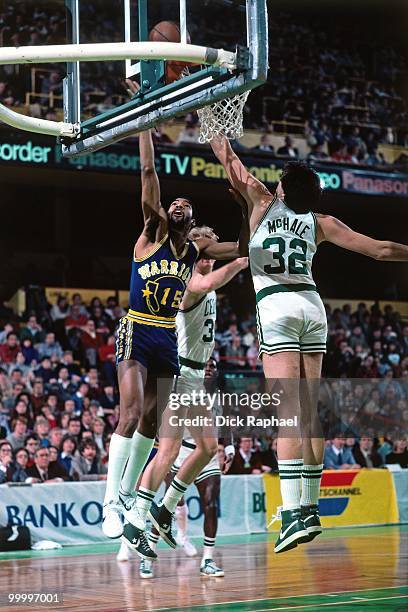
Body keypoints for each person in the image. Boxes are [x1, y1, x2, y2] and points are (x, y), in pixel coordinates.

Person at [209, 135, 408, 554]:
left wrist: (211, 119)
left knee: (287, 411)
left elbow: (227, 157)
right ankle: (311, 508)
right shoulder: (322, 221)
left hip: (277, 304)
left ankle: (293, 515)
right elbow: (380, 250)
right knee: (309, 408)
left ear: (282, 188)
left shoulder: (262, 202)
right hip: (312, 305)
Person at [102, 83, 248, 560]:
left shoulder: (194, 251)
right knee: (132, 415)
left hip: (167, 341)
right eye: (174, 202)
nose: (179, 203)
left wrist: (247, 200)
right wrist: (145, 119)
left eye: (188, 204)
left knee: (156, 426)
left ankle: (138, 504)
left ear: (195, 222)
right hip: (138, 325)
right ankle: (117, 501)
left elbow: (243, 249)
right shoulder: (153, 231)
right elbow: (148, 171)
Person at [123, 232, 245, 564]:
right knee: (168, 450)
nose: (207, 256)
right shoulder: (189, 282)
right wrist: (243, 260)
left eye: (211, 250)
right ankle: (136, 517)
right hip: (177, 374)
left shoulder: (208, 281)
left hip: (193, 378)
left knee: (208, 448)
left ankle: (164, 508)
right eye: (202, 249)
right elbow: (204, 286)